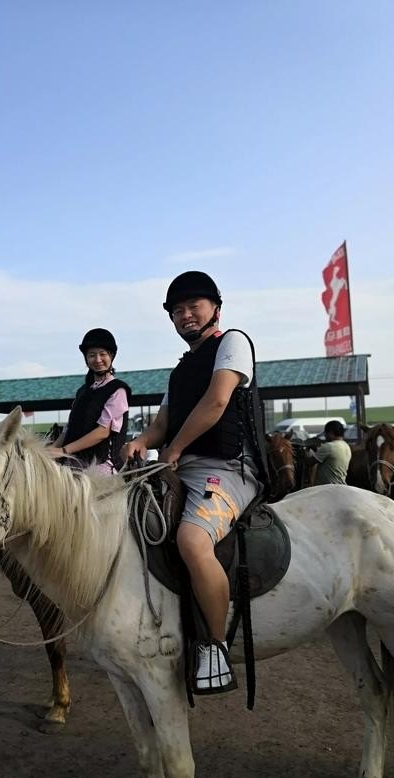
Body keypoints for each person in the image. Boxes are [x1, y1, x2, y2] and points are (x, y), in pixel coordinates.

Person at [123, 271, 269, 694]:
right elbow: (162, 424)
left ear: (215, 309)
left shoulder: (232, 344)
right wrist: (141, 441)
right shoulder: (181, 370)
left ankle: (215, 645)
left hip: (228, 469)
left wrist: (172, 449)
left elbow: (218, 400)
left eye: (194, 307)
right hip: (182, 467)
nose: (185, 315)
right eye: (177, 311)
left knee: (191, 540)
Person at [50, 328, 130, 475]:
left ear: (111, 356)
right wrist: (50, 451)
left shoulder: (117, 390)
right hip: (71, 466)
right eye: (92, 355)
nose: (98, 360)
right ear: (86, 359)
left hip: (100, 468)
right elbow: (69, 429)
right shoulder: (82, 391)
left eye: (102, 354)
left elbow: (103, 432)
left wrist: (63, 450)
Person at [310, 420, 352, 485]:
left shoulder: (328, 446)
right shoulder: (346, 446)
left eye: (326, 433)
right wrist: (317, 451)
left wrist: (303, 454)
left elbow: (309, 462)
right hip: (341, 485)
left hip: (327, 487)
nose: (325, 436)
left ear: (331, 433)